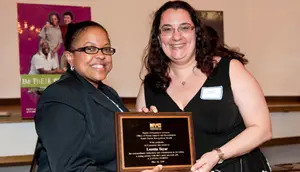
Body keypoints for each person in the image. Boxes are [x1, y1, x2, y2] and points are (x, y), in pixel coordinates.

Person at [136, 1, 272, 172]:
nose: (176, 36)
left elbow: (262, 129)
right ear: (158, 36)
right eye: (167, 29)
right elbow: (149, 153)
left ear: (196, 33)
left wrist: (217, 155)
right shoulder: (149, 86)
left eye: (185, 28)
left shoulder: (229, 70)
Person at [34, 21, 161, 172]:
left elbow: (117, 143)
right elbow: (70, 169)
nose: (101, 55)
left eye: (106, 49)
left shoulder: (108, 93)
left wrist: (143, 127)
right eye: (90, 49)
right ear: (70, 57)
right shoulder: (60, 96)